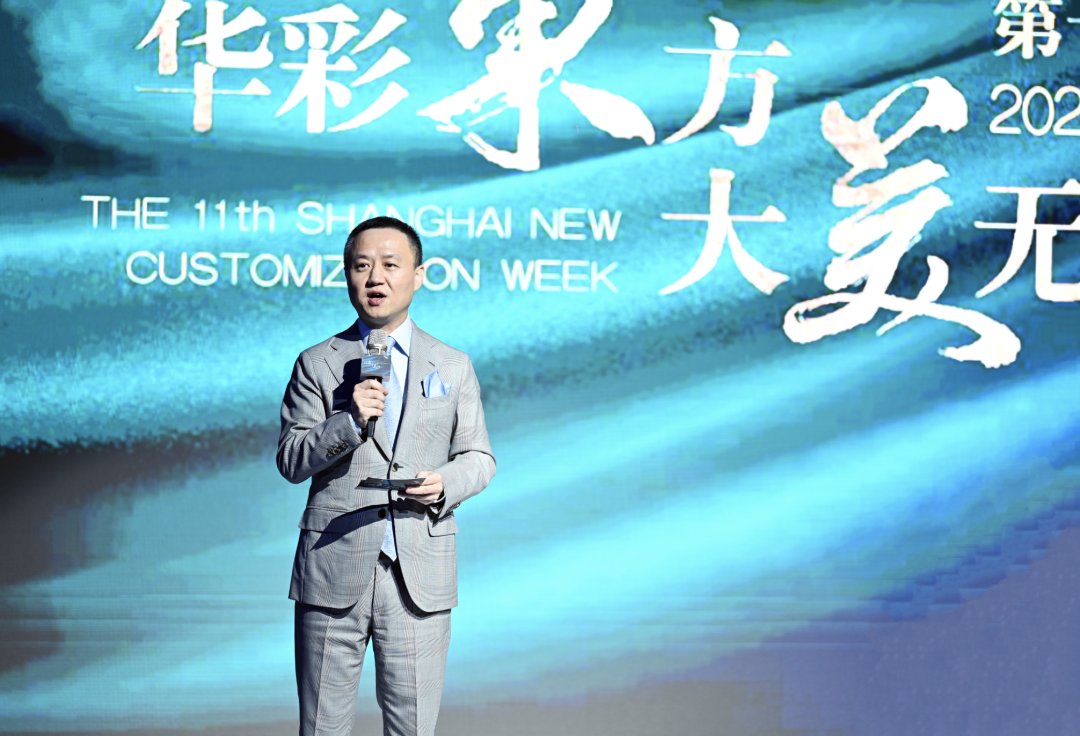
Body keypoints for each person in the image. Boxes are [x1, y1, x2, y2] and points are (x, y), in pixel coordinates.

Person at [277, 216, 496, 736]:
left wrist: (444, 484)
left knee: (412, 728)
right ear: (347, 276)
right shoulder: (317, 363)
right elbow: (291, 458)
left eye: (390, 265)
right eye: (361, 266)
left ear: (418, 275)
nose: (375, 277)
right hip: (332, 567)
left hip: (418, 572)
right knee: (321, 727)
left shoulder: (452, 365)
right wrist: (350, 422)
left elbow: (478, 457)